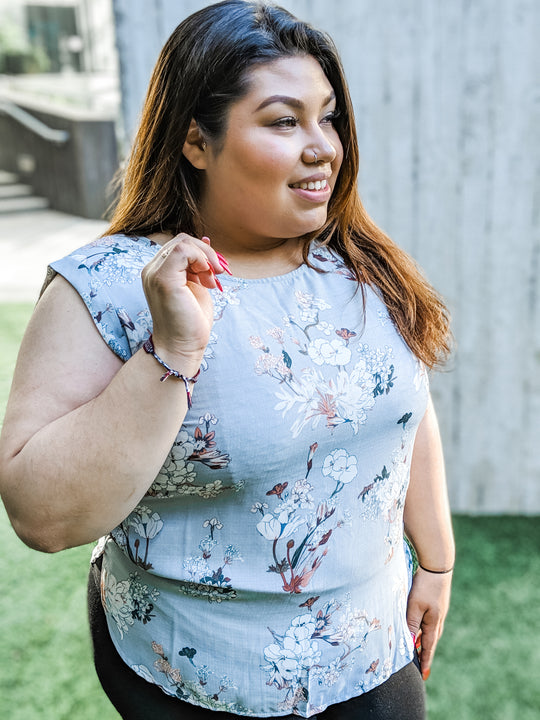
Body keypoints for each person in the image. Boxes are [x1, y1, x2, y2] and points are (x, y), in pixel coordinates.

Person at [0, 1, 455, 718]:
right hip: (188, 675)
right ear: (195, 142)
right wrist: (172, 351)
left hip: (371, 650)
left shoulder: (362, 267)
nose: (323, 147)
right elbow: (41, 517)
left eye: (327, 116)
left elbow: (406, 412)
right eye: (283, 121)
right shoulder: (111, 287)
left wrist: (436, 560)